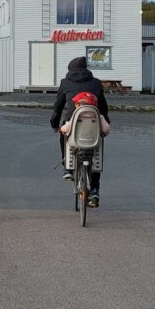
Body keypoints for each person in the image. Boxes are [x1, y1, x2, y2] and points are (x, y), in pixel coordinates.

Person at [50, 56, 109, 207]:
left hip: (73, 122)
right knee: (96, 153)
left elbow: (58, 107)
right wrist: (105, 121)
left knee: (64, 135)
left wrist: (54, 125)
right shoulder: (96, 83)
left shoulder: (65, 82)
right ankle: (95, 190)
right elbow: (103, 106)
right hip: (93, 123)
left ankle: (67, 166)